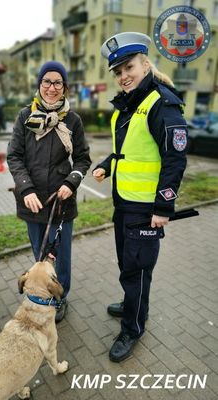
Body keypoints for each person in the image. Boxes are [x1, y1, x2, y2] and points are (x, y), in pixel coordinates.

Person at [93, 32, 187, 362]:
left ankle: (133, 327)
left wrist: (164, 205)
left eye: (129, 67)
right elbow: (127, 150)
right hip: (124, 204)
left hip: (147, 209)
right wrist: (107, 164)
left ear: (145, 63)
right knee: (127, 265)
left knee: (138, 270)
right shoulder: (130, 103)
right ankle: (130, 303)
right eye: (118, 72)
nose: (123, 76)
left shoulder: (162, 102)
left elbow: (176, 157)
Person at [7, 61, 91, 322]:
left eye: (57, 82)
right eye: (47, 81)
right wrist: (26, 189)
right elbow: (14, 157)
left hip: (62, 203)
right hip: (32, 202)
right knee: (40, 254)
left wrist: (71, 182)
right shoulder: (24, 117)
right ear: (39, 84)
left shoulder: (72, 120)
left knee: (61, 256)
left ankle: (60, 297)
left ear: (64, 87)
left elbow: (82, 159)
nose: (51, 87)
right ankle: (41, 292)